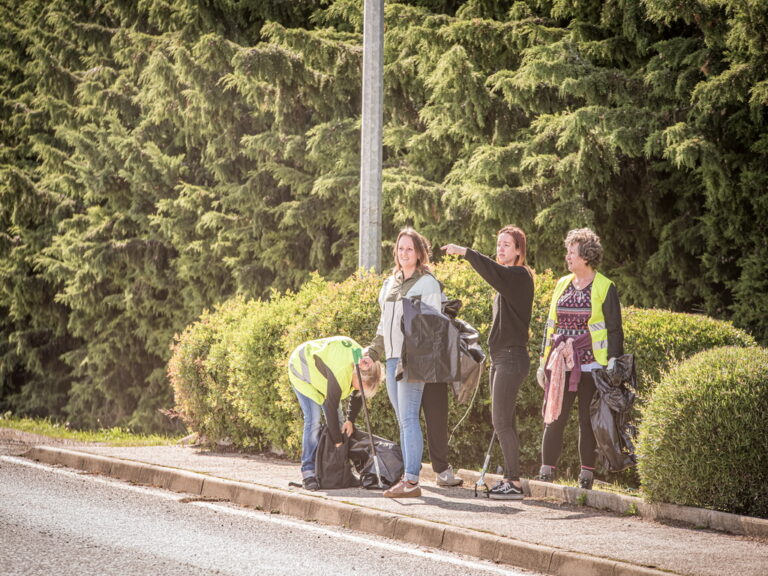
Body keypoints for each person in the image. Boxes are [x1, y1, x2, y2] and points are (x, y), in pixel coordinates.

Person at [365, 227, 461, 498]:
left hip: (413, 361)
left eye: (409, 248)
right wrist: (371, 354)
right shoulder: (390, 283)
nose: (404, 253)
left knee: (408, 419)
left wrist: (413, 360)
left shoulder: (427, 283)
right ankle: (410, 476)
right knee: (403, 419)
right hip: (393, 359)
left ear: (419, 253)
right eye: (400, 248)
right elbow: (384, 326)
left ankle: (410, 481)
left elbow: (432, 327)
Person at [442, 226, 534, 500]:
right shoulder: (509, 280)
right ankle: (510, 477)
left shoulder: (518, 275)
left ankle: (513, 482)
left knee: (501, 421)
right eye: (499, 243)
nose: (501, 248)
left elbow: (493, 272)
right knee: (504, 422)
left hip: (511, 358)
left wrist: (466, 253)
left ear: (519, 250)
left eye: (507, 244)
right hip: (501, 358)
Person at [537, 228, 624, 490]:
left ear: (586, 256)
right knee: (555, 416)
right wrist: (543, 362)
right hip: (561, 363)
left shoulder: (605, 286)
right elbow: (550, 326)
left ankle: (586, 476)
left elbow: (614, 329)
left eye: (572, 253)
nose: (567, 257)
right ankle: (546, 472)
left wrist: (612, 362)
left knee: (587, 421)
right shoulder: (562, 283)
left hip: (592, 366)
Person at [288, 335, 381, 491]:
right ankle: (308, 472)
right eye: (361, 386)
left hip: (324, 375)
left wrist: (349, 420)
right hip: (302, 369)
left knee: (340, 423)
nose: (360, 390)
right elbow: (330, 409)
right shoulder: (340, 373)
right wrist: (338, 442)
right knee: (314, 420)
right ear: (357, 374)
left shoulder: (362, 360)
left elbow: (358, 395)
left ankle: (341, 472)